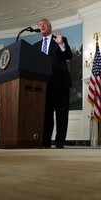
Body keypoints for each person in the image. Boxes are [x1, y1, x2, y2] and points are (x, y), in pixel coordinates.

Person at [33, 18, 72, 149]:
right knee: (46, 115)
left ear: (50, 26)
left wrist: (61, 44)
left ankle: (60, 143)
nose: (41, 25)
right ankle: (45, 142)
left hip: (61, 83)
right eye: (39, 25)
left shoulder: (60, 39)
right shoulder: (36, 46)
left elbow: (69, 55)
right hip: (44, 85)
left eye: (43, 23)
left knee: (61, 115)